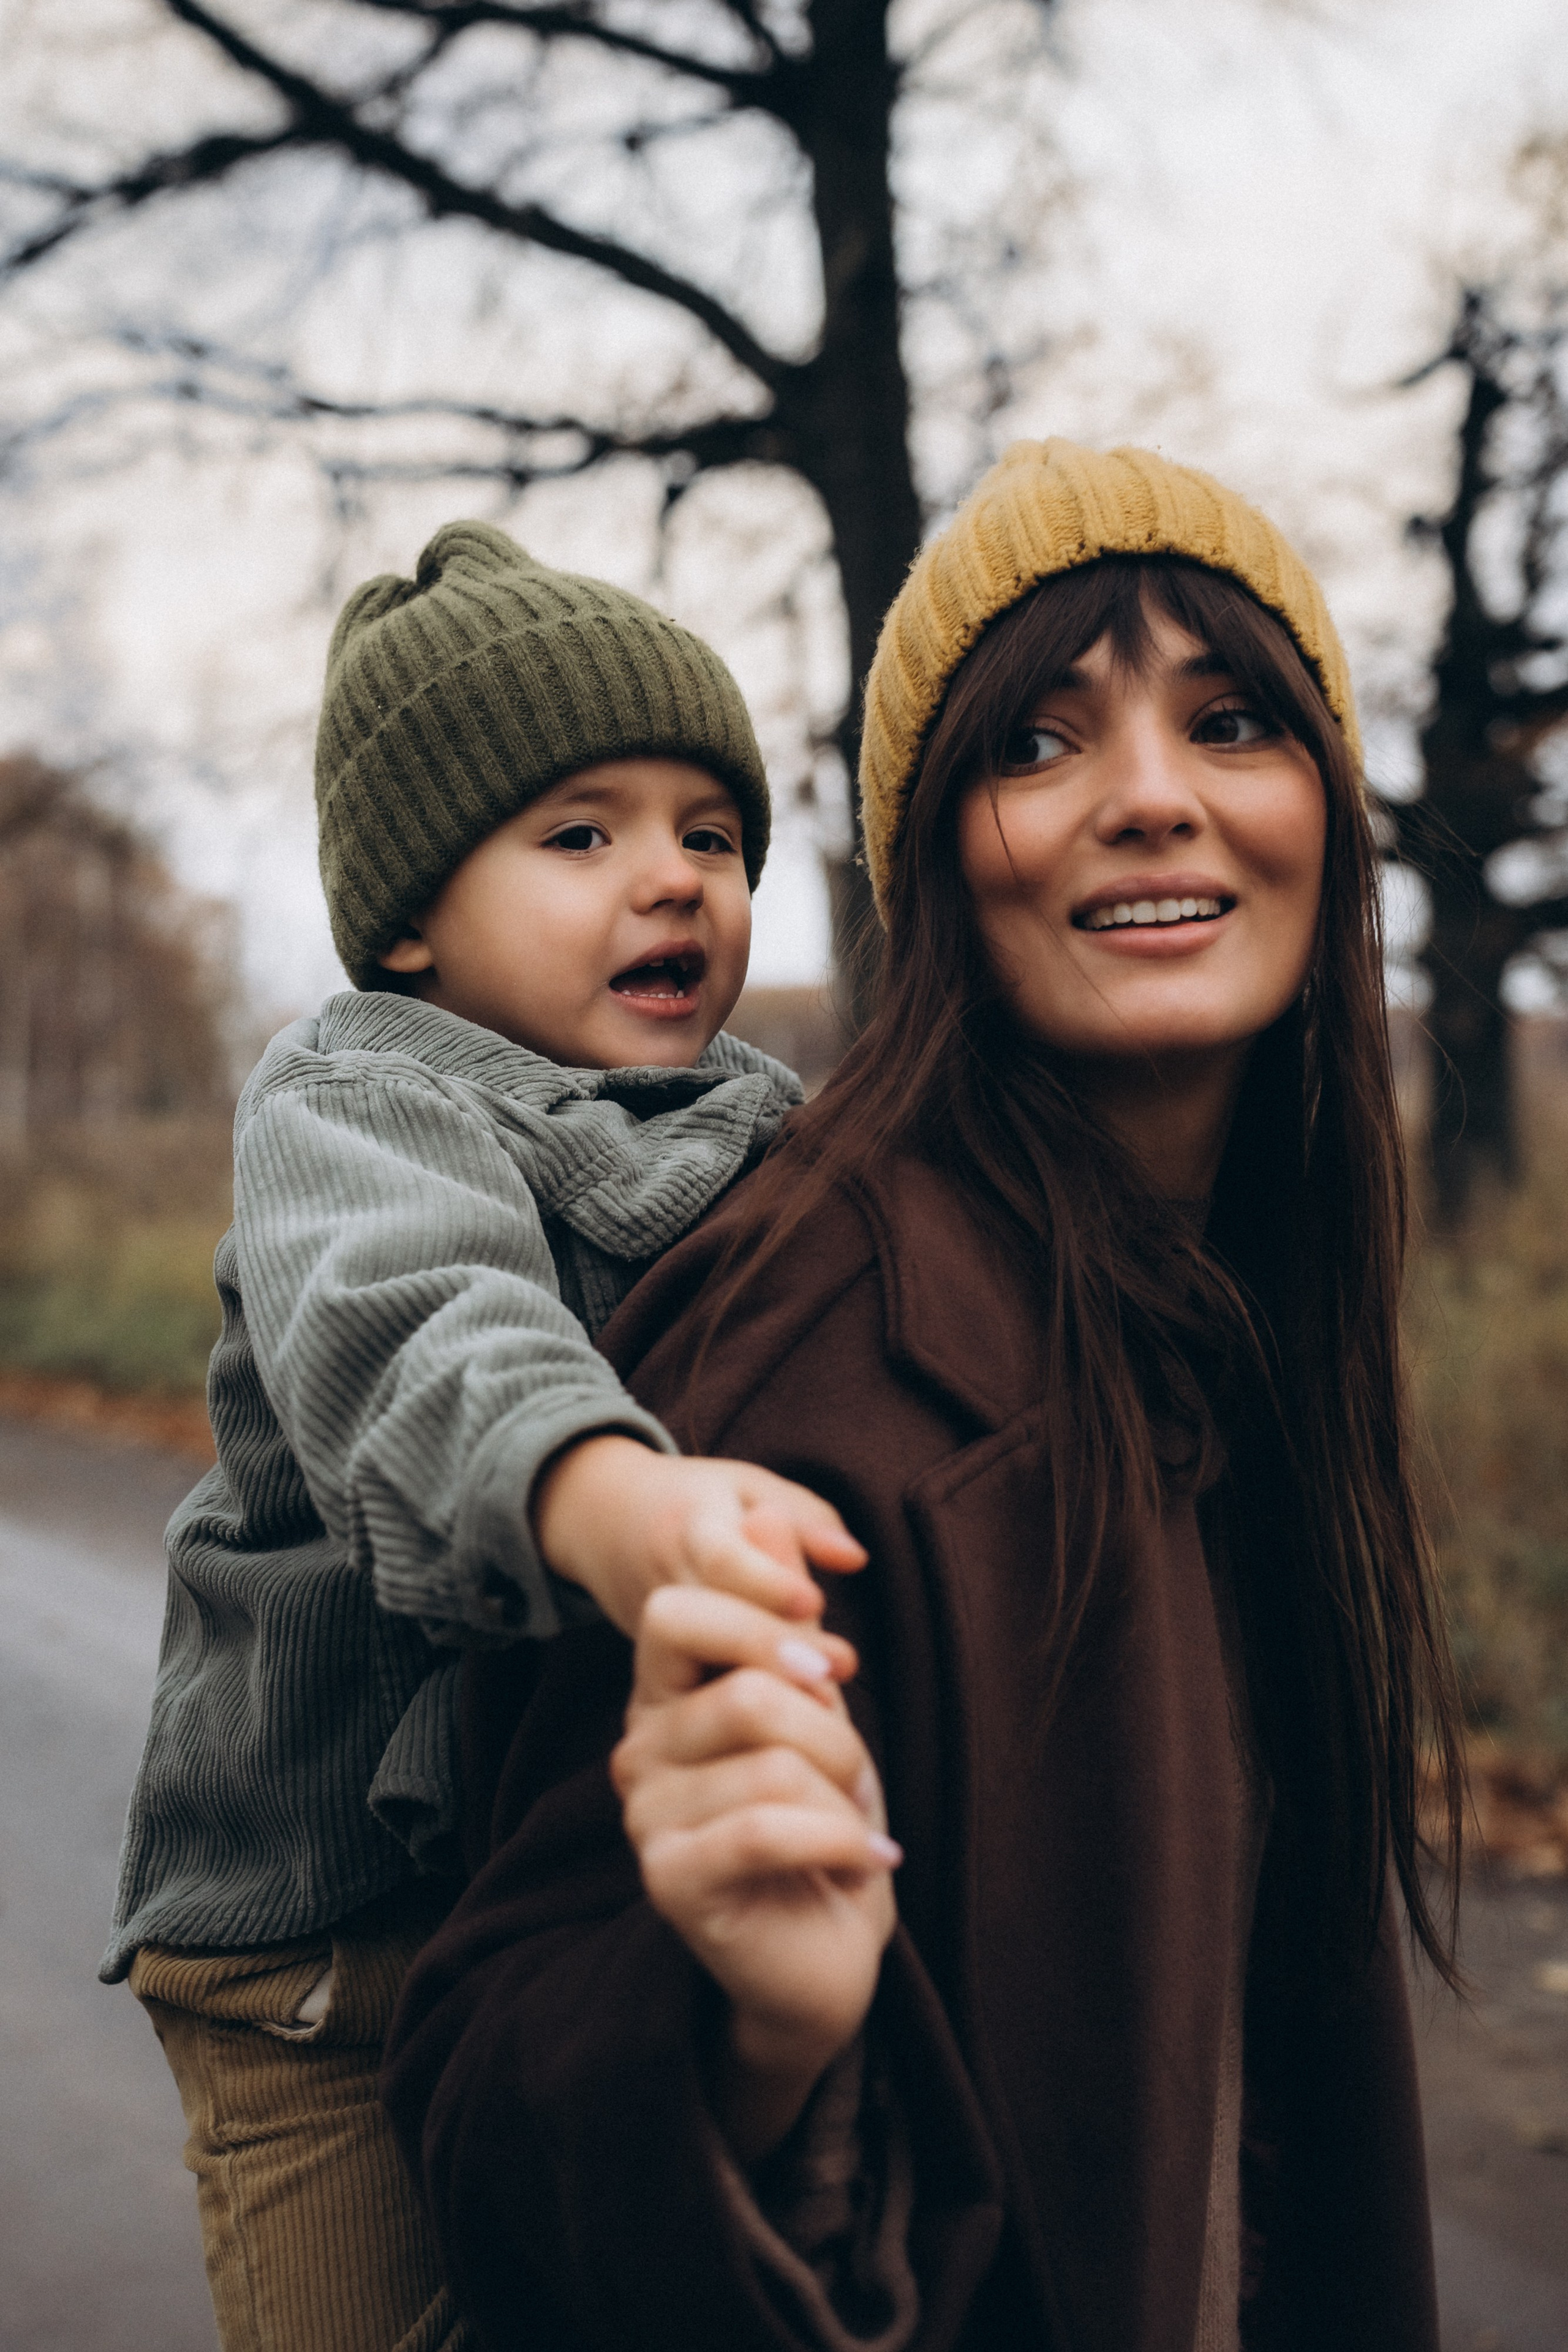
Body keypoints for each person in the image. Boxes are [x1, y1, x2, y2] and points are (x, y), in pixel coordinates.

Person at [383, 443, 1466, 2352]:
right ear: (937, 861)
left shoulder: (1210, 1317)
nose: (1150, 799)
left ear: (1329, 809)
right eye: (1039, 745)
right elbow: (500, 2117)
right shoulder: (825, 1344)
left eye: (1229, 720)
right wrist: (749, 2045)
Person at [103, 521, 865, 2352]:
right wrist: (618, 1502)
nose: (670, 880)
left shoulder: (761, 1123)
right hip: (321, 1950)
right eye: (581, 835)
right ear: (407, 918)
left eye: (710, 832)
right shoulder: (362, 1092)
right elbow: (416, 1326)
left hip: (554, 1897)